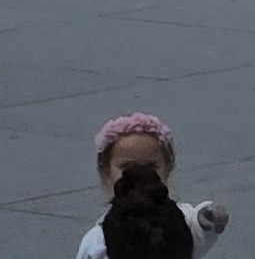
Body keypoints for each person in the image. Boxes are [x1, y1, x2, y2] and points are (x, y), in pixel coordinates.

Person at [71, 110, 228, 259]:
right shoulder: (99, 237)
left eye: (150, 166)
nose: (140, 173)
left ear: (167, 168)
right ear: (106, 171)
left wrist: (206, 217)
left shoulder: (179, 216)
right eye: (127, 167)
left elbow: (196, 228)